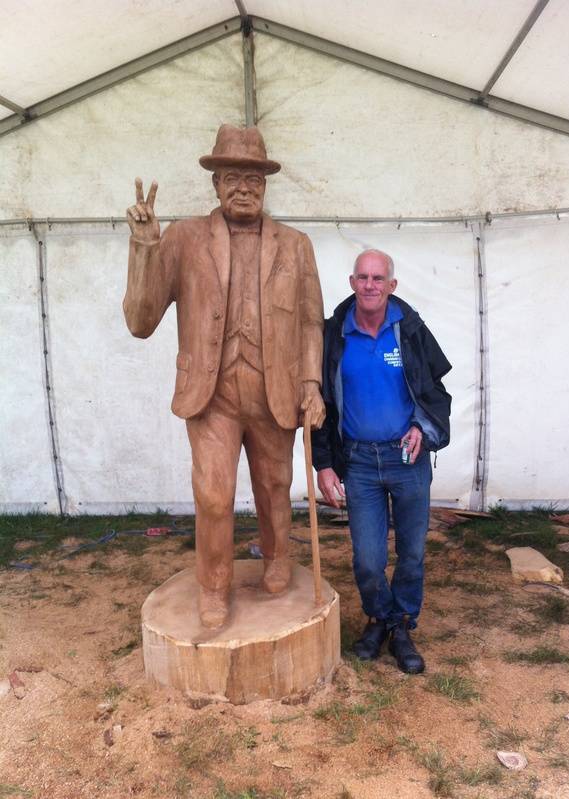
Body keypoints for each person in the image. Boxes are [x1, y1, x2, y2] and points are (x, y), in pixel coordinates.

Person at [124, 124, 325, 629]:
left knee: (276, 485)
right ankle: (213, 586)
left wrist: (311, 384)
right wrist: (145, 249)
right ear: (215, 183)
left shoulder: (296, 245)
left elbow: (309, 322)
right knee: (213, 494)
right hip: (210, 393)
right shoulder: (185, 237)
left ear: (266, 185)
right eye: (233, 176)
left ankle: (278, 558)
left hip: (273, 388)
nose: (244, 187)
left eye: (254, 179)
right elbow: (141, 321)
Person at [312, 249, 451, 673]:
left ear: (392, 286)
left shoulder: (409, 331)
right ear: (352, 282)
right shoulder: (333, 335)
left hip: (405, 458)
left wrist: (421, 428)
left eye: (379, 278)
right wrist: (324, 465)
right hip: (357, 462)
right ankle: (379, 617)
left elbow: (436, 394)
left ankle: (401, 625)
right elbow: (319, 405)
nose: (370, 285)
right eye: (363, 277)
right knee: (369, 558)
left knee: (411, 553)